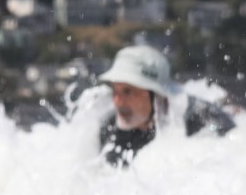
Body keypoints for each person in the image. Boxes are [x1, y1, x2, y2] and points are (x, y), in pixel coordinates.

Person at [95, 45, 235, 166]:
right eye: (115, 91)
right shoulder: (109, 129)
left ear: (156, 94)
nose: (117, 102)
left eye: (127, 91)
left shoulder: (202, 120)